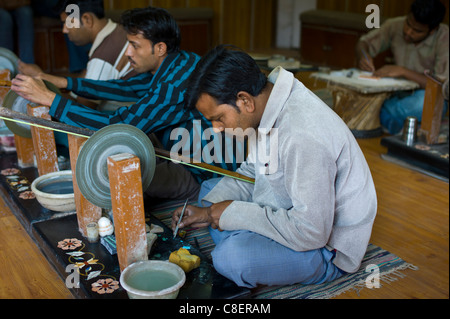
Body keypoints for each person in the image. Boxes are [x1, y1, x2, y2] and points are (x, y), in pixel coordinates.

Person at [171, 45, 377, 288]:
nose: (216, 128)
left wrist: (230, 213)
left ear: (244, 100)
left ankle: (240, 238)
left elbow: (312, 232)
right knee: (210, 190)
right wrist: (211, 211)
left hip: (326, 249)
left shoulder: (302, 135)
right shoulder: (266, 102)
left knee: (231, 258)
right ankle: (236, 231)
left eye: (218, 118)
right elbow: (251, 172)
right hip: (287, 206)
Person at [11, 7, 244, 201]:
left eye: (135, 45)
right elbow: (125, 87)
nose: (128, 53)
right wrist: (61, 81)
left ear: (159, 48)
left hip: (198, 173)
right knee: (117, 143)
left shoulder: (173, 86)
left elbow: (119, 126)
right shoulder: (179, 61)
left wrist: (50, 99)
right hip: (178, 150)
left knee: (112, 176)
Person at [19, 0, 137, 109]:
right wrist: (45, 76)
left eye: (67, 23)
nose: (64, 30)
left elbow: (81, 108)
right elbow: (85, 77)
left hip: (123, 124)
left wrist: (42, 85)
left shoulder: (103, 56)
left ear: (87, 19)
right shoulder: (117, 30)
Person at [356, 0, 448, 135]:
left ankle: (381, 114)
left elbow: (440, 86)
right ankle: (391, 119)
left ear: (433, 30)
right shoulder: (395, 25)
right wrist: (363, 56)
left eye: (417, 31)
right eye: (408, 24)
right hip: (394, 92)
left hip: (424, 96)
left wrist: (403, 71)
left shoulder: (445, 38)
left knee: (426, 104)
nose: (408, 32)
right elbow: (363, 43)